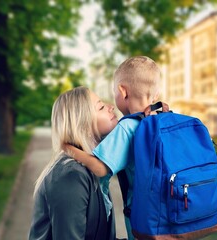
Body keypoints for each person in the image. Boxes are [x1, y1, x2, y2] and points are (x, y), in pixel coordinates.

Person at [63, 56, 162, 240]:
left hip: (147, 222)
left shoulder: (128, 127)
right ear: (156, 94)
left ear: (122, 91)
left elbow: (100, 168)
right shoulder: (164, 118)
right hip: (171, 217)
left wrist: (69, 148)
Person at [28, 86, 118, 240]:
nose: (111, 107)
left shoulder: (92, 166)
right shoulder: (71, 176)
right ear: (82, 123)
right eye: (101, 107)